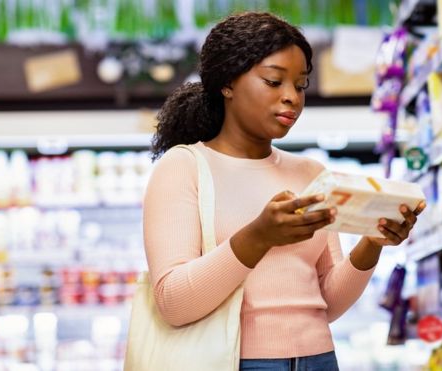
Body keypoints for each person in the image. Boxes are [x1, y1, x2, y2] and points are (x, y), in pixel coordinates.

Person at [143, 12, 425, 371]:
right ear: (227, 83)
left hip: (320, 359)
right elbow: (174, 303)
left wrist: (373, 243)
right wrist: (258, 237)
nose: (292, 97)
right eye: (274, 81)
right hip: (231, 361)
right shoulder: (183, 167)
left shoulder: (311, 173)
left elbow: (327, 303)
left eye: (301, 85)